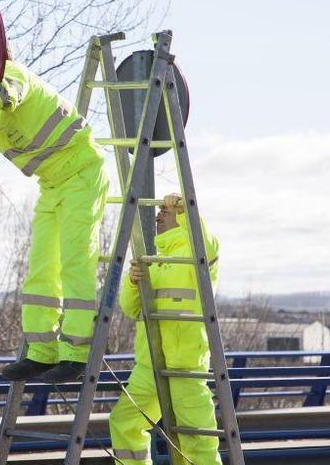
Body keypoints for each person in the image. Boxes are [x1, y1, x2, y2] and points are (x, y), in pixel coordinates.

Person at [0, 55, 109, 383]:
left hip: (83, 172)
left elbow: (0, 97)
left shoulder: (12, 75)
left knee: (75, 264)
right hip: (52, 183)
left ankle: (75, 356)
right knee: (41, 270)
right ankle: (41, 354)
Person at [108, 193, 222, 465]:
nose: (159, 215)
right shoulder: (153, 261)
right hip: (150, 364)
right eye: (159, 211)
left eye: (165, 212)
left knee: (196, 439)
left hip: (185, 366)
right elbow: (131, 309)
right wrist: (132, 284)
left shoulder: (196, 256)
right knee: (125, 421)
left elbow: (206, 244)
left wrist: (183, 209)